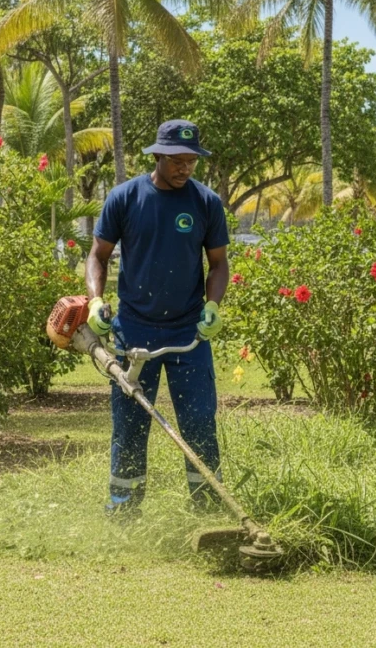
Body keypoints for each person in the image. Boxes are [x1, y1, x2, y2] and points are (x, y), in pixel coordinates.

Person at [84, 119, 230, 515]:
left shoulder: (206, 203)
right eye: (177, 160)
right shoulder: (125, 198)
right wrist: (96, 301)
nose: (185, 168)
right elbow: (98, 256)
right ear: (159, 156)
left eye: (191, 161)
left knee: (199, 422)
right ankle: (124, 510)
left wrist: (212, 306)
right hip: (134, 331)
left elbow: (218, 264)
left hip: (189, 333)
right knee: (130, 426)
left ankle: (210, 510)